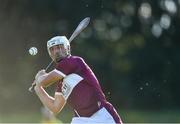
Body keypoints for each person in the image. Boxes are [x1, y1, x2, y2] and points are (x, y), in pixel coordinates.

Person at [33, 36, 123, 123]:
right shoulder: (61, 82)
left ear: (67, 48)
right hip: (81, 119)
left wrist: (39, 78)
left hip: (101, 115)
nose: (56, 51)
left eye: (59, 47)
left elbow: (44, 81)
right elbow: (55, 107)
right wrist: (38, 88)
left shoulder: (72, 61)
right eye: (52, 49)